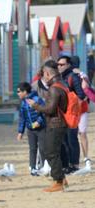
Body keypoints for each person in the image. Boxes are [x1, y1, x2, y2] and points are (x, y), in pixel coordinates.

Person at [28, 60, 69, 192]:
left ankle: (58, 181)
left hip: (55, 124)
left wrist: (35, 106)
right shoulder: (61, 84)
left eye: (43, 73)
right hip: (60, 123)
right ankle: (61, 178)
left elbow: (50, 109)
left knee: (50, 152)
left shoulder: (54, 88)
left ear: (47, 74)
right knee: (50, 151)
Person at [57, 55, 85, 173]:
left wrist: (73, 108)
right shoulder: (59, 77)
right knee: (63, 140)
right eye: (58, 64)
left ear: (68, 65)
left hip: (72, 114)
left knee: (72, 139)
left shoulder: (72, 77)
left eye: (62, 64)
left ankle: (74, 164)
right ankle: (67, 164)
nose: (59, 66)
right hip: (61, 113)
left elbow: (81, 95)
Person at [16, 82, 46, 174]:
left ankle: (44, 166)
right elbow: (22, 118)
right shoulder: (23, 103)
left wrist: (38, 122)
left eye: (19, 91)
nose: (18, 93)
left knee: (42, 148)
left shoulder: (37, 99)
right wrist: (20, 132)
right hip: (30, 129)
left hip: (41, 128)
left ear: (25, 91)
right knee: (32, 148)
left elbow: (44, 112)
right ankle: (32, 167)